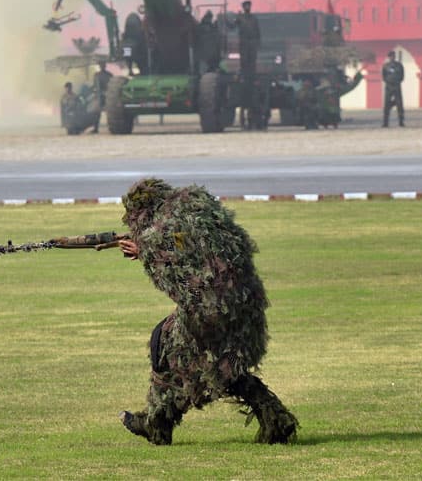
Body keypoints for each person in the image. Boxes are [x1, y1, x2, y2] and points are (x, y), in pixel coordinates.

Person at [117, 178, 298, 446]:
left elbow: (184, 261)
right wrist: (150, 246)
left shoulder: (167, 225)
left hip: (213, 309)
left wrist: (145, 250)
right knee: (222, 366)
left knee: (170, 349)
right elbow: (191, 247)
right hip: (244, 303)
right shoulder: (194, 209)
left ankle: (157, 424)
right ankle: (275, 419)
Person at [237, 1, 262, 130]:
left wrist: (258, 43)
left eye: (248, 6)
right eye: (245, 6)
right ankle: (245, 72)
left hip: (251, 43)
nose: (247, 7)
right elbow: (232, 27)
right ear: (243, 7)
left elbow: (257, 32)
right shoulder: (240, 18)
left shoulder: (254, 18)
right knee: (245, 61)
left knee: (252, 61)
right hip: (244, 43)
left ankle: (251, 72)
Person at [382, 51, 405, 127]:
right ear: (389, 57)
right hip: (389, 87)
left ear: (395, 56)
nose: (392, 57)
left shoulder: (399, 65)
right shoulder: (385, 66)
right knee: (386, 105)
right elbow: (383, 76)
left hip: (397, 86)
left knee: (399, 104)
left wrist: (397, 81)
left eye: (393, 56)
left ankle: (401, 122)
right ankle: (385, 123)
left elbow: (402, 76)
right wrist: (389, 81)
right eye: (390, 56)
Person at [92, 61, 113, 133]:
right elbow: (95, 86)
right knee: (96, 113)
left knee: (110, 113)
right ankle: (95, 128)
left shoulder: (109, 75)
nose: (102, 66)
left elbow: (111, 86)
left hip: (107, 95)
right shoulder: (97, 75)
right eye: (101, 65)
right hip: (99, 96)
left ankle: (111, 127)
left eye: (103, 65)